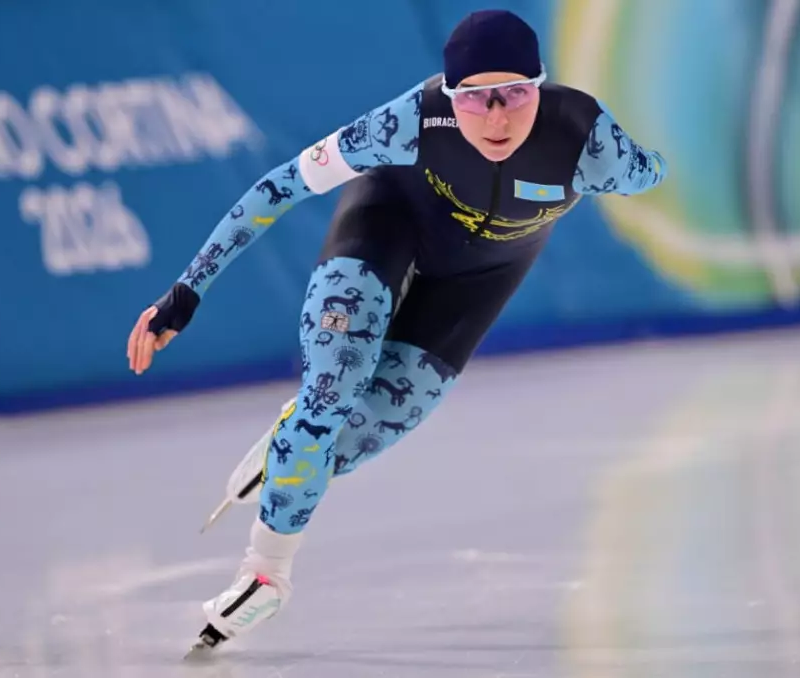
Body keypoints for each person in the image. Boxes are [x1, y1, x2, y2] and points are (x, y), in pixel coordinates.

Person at [125, 9, 668, 653]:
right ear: (450, 94)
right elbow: (277, 188)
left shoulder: (588, 143)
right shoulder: (410, 120)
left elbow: (656, 168)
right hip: (387, 224)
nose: (496, 118)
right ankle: (265, 574)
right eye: (474, 99)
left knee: (348, 438)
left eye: (515, 94)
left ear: (540, 86)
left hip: (477, 279)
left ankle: (290, 444)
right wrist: (186, 292)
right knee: (330, 392)